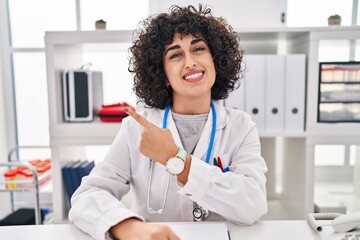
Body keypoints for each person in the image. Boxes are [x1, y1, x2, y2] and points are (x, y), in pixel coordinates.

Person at [69, 4, 268, 240]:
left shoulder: (240, 127)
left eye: (199, 49)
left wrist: (177, 160)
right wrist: (130, 227)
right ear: (162, 74)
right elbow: (88, 195)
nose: (190, 62)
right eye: (175, 54)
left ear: (216, 60)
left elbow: (253, 204)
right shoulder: (137, 128)